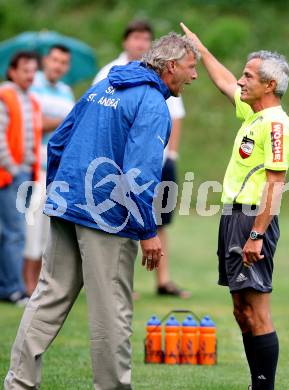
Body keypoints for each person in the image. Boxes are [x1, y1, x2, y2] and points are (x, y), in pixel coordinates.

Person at [4, 32, 199, 389]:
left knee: (48, 297)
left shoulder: (104, 86)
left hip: (66, 205)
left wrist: (62, 192)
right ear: (171, 67)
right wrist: (148, 232)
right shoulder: (154, 103)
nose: (195, 75)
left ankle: (18, 383)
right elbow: (139, 174)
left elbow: (60, 139)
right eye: (191, 67)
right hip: (107, 218)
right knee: (112, 313)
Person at [181, 23, 289, 389]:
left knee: (257, 311)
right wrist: (200, 49)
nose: (242, 81)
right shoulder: (254, 114)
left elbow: (275, 183)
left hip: (251, 221)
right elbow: (225, 82)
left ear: (269, 85)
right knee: (241, 311)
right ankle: (255, 382)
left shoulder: (276, 124)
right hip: (233, 217)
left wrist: (257, 234)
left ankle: (264, 387)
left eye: (249, 75)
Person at [94, 19, 190, 298]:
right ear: (125, 41)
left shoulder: (163, 73)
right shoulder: (109, 72)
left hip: (157, 160)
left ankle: (163, 279)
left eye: (146, 38)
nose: (141, 43)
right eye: (136, 38)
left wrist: (171, 153)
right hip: (120, 164)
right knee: (122, 217)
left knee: (159, 220)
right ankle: (123, 283)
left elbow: (177, 114)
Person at [23, 44, 74, 295]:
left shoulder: (66, 92)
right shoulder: (33, 87)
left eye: (63, 62)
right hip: (34, 168)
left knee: (47, 231)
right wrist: (64, 121)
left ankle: (42, 286)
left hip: (57, 171)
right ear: (46, 61)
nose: (58, 66)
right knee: (32, 227)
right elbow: (33, 123)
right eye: (55, 60)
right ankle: (26, 283)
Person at [0, 51, 41, 306]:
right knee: (14, 232)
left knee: (12, 231)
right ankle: (14, 288)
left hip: (27, 173)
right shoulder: (6, 96)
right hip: (10, 175)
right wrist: (12, 168)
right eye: (25, 69)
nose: (29, 75)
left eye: (33, 70)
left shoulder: (31, 100)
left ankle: (7, 285)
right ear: (12, 71)